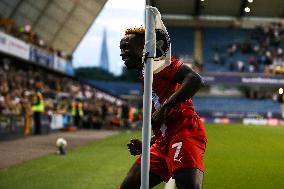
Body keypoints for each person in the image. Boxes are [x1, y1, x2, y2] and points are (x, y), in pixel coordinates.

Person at [118, 27, 207, 189]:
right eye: (121, 49)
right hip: (162, 142)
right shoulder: (146, 73)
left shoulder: (159, 63)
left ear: (144, 48)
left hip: (184, 133)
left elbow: (195, 79)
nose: (122, 53)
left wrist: (165, 107)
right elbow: (165, 124)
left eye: (127, 48)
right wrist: (147, 144)